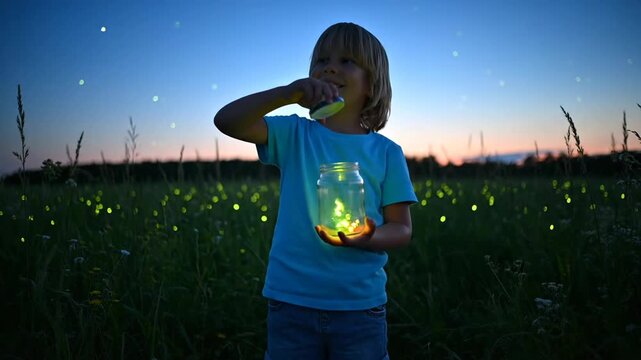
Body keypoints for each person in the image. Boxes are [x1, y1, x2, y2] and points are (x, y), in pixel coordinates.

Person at [214, 22, 417, 360]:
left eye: (347, 61)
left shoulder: (386, 153)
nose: (330, 66)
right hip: (291, 300)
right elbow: (227, 120)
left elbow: (402, 229)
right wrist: (287, 94)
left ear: (372, 83)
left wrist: (368, 235)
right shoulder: (295, 135)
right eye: (322, 59)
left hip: (359, 306)